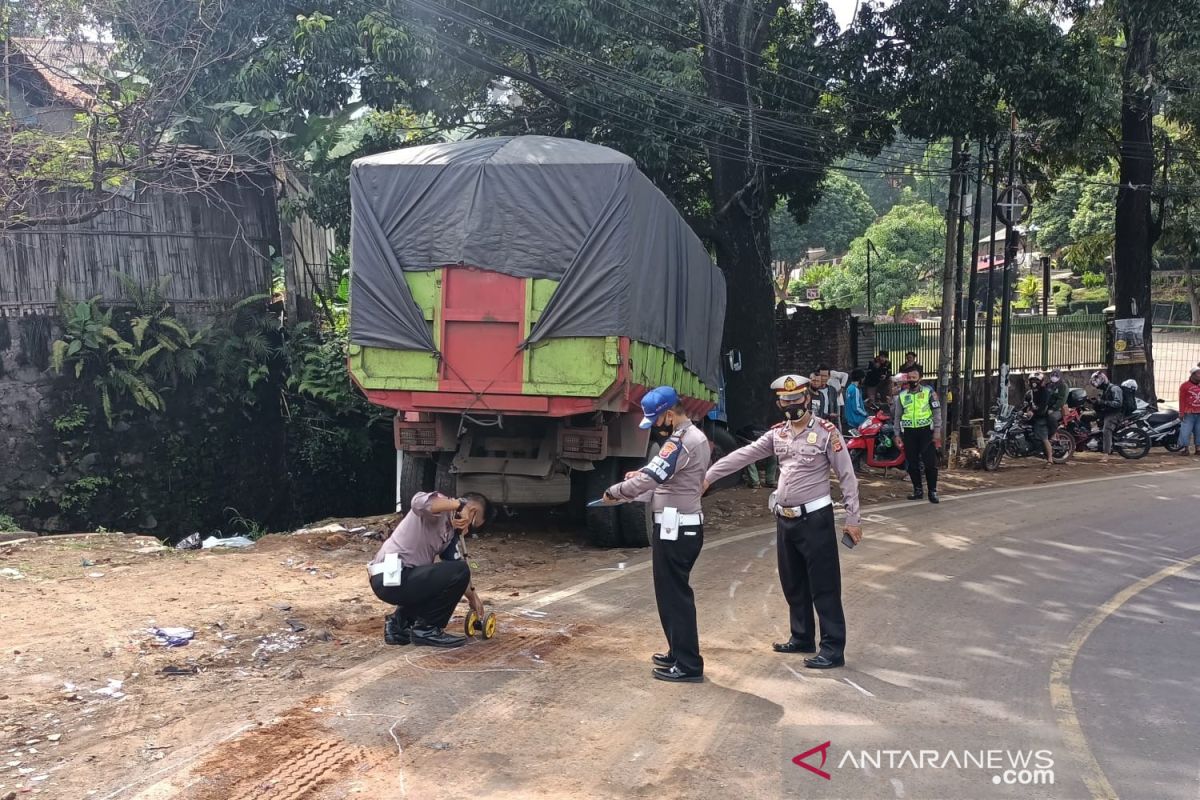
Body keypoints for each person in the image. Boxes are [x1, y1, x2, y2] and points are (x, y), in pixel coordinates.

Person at [703, 374, 863, 670]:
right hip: (786, 519)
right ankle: (801, 636)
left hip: (816, 519)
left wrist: (853, 518)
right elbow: (744, 455)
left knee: (824, 586)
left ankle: (832, 647)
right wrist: (709, 475)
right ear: (779, 402)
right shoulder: (778, 434)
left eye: (796, 399)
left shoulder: (828, 433)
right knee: (793, 582)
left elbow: (847, 477)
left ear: (807, 399)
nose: (791, 405)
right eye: (785, 401)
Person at [604, 386, 710, 683]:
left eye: (656, 420)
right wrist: (638, 478)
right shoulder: (690, 438)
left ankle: (688, 663)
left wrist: (616, 493)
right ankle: (678, 651)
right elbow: (663, 476)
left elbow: (654, 477)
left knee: (676, 596)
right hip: (677, 526)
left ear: (668, 414)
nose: (656, 427)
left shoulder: (681, 441)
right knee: (669, 594)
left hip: (678, 529)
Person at [368, 491, 492, 648]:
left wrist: (474, 599)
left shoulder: (449, 535)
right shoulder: (440, 508)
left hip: (397, 580)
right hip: (389, 574)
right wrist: (460, 505)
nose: (468, 530)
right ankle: (428, 629)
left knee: (451, 574)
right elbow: (417, 502)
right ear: (472, 511)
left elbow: (455, 576)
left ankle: (398, 625)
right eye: (472, 523)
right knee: (461, 569)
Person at [894, 366, 942, 503]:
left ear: (920, 378)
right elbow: (897, 417)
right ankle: (918, 490)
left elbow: (937, 412)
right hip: (909, 433)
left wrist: (937, 431)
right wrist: (897, 434)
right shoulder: (902, 395)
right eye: (909, 378)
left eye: (914, 378)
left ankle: (932, 491)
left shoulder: (929, 392)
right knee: (912, 463)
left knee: (929, 463)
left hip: (926, 432)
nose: (911, 380)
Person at [1089, 371, 1125, 456]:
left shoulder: (1114, 389)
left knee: (1106, 430)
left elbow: (1118, 404)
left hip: (1115, 413)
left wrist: (1103, 402)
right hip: (1106, 412)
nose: (1097, 386)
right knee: (1084, 416)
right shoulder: (1105, 390)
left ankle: (1106, 453)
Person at [1023, 371, 1055, 465]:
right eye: (1032, 380)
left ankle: (1050, 459)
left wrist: (1033, 411)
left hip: (1042, 417)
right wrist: (1022, 411)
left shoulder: (1045, 392)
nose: (1034, 382)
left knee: (1043, 437)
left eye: (1036, 380)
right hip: (1033, 417)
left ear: (1041, 382)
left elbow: (1043, 406)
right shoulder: (1030, 393)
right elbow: (1026, 404)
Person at [1180, 367, 1200, 456]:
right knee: (1185, 431)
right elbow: (1182, 400)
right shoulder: (1185, 386)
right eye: (1198, 374)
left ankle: (1198, 449)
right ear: (1192, 375)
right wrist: (1181, 412)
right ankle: (1185, 449)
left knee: (1199, 431)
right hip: (1189, 412)